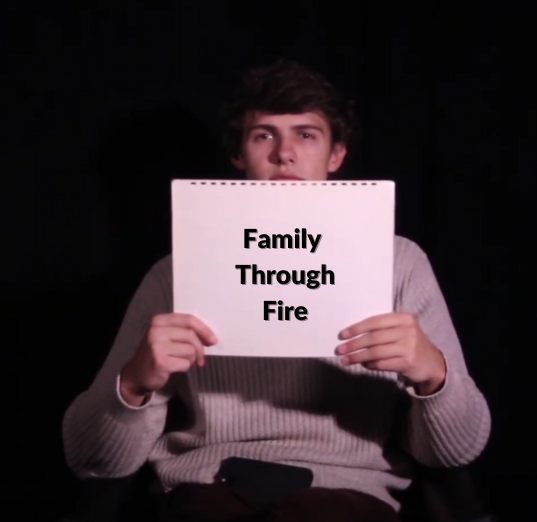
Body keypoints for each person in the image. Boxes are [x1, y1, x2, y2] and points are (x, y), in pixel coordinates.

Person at [62, 59, 491, 522]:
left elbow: (457, 452)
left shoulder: (400, 263)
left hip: (345, 496)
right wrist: (132, 385)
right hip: (208, 491)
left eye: (306, 135)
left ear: (336, 155)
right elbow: (90, 459)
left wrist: (434, 377)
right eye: (263, 135)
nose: (284, 153)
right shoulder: (174, 272)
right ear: (238, 155)